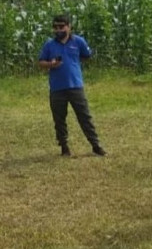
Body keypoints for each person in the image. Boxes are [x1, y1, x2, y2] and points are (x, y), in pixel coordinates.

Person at [38, 14, 106, 157]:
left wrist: (73, 63)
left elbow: (87, 55)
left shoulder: (78, 42)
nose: (58, 30)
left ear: (69, 27)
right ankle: (64, 147)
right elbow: (40, 63)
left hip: (75, 86)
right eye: (55, 27)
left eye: (61, 26)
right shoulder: (49, 45)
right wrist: (51, 64)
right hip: (57, 88)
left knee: (84, 116)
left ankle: (96, 145)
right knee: (59, 119)